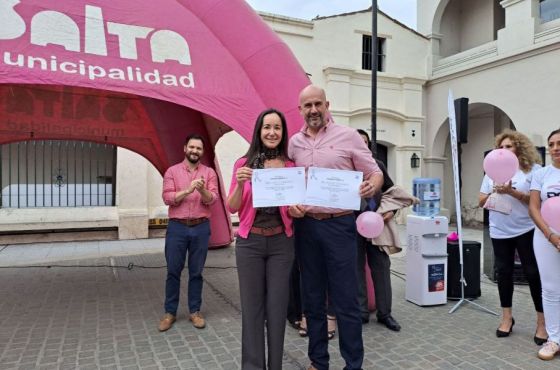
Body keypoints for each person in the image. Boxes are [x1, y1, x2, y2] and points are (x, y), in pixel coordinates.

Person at [288, 85, 383, 370]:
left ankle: (353, 364)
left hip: (340, 225)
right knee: (313, 298)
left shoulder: (349, 136)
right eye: (308, 106)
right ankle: (318, 361)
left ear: (327, 105)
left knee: (346, 300)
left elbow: (375, 172)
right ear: (300, 110)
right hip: (306, 227)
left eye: (318, 104)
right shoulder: (294, 143)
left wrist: (372, 185)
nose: (314, 110)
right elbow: (289, 181)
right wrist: (290, 205)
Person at [226, 108, 295, 370]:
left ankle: (275, 365)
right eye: (267, 127)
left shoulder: (290, 167)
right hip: (250, 244)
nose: (272, 132)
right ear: (259, 131)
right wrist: (242, 184)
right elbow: (232, 207)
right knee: (252, 310)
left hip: (281, 244)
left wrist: (297, 209)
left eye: (277, 127)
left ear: (282, 133)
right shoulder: (242, 164)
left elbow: (291, 208)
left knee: (277, 310)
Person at [478, 129, 545, 343]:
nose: (504, 150)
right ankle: (507, 317)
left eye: (509, 146)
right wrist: (494, 193)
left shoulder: (533, 170)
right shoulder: (491, 171)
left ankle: (541, 322)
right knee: (504, 272)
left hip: (526, 228)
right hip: (499, 231)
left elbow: (538, 202)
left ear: (519, 147)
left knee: (533, 273)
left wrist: (512, 192)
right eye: (502, 147)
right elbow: (480, 200)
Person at [158, 134, 218, 332]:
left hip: (201, 227)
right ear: (185, 148)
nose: (195, 151)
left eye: (199, 148)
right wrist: (188, 190)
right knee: (173, 270)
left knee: (197, 272)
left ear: (202, 152)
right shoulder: (172, 171)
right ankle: (170, 312)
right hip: (177, 227)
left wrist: (201, 191)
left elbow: (212, 199)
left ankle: (195, 311)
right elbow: (167, 198)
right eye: (192, 147)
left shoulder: (209, 173)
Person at [355, 129, 402, 331]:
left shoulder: (378, 166)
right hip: (353, 227)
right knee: (356, 270)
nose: (362, 145)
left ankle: (385, 314)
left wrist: (391, 211)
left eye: (365, 142)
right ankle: (361, 312)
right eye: (358, 142)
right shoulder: (346, 167)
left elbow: (393, 193)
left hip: (377, 226)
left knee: (381, 269)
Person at [529, 128, 560, 361]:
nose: (555, 148)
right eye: (551, 144)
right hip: (545, 236)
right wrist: (551, 235)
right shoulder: (541, 174)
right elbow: (534, 208)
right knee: (550, 289)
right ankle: (554, 339)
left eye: (559, 143)